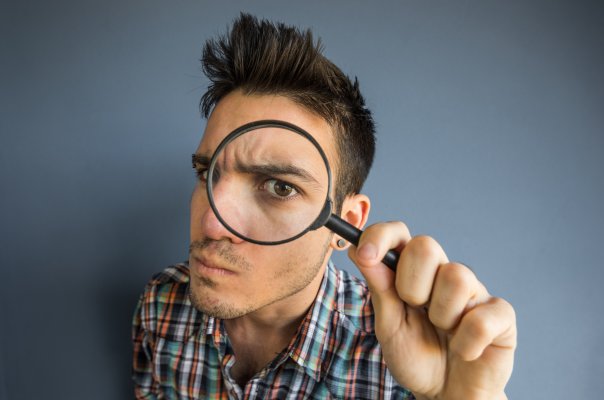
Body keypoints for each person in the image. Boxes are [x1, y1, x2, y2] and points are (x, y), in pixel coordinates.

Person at [132, 13, 516, 400]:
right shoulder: (162, 302)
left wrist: (457, 396)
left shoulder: (404, 358)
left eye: (280, 187)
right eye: (206, 174)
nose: (212, 224)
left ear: (345, 224)